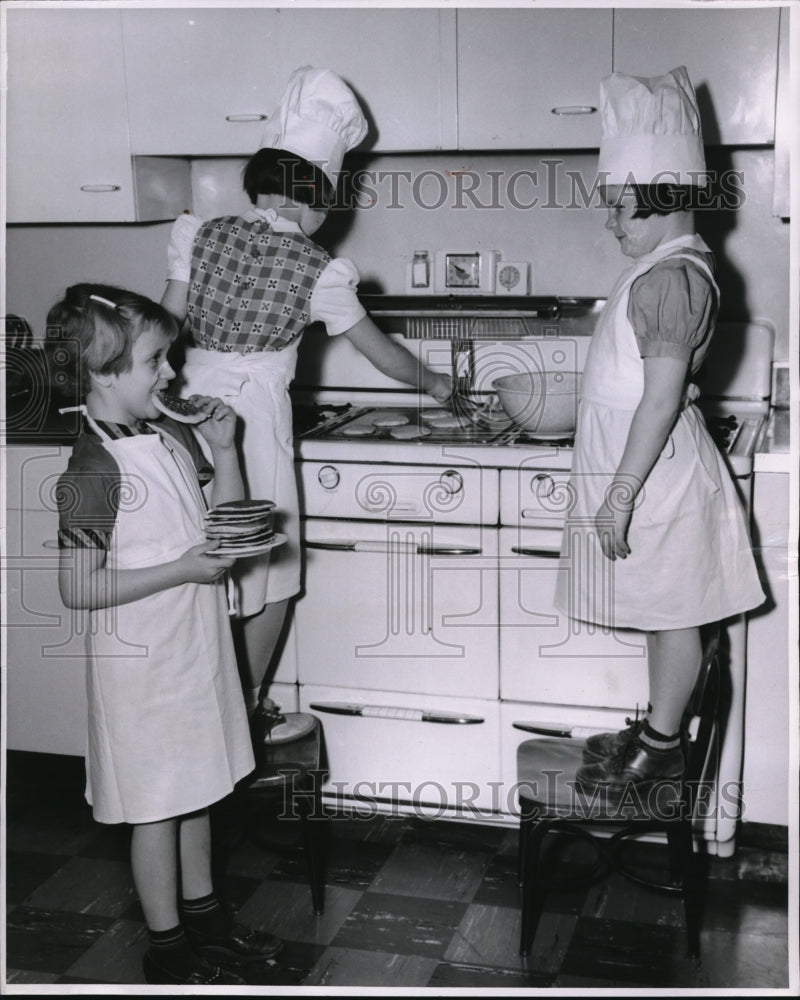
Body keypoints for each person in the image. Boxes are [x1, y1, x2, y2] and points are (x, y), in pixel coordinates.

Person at [160, 66, 452, 743]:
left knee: (204, 565)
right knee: (269, 571)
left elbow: (166, 325)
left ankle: (199, 715)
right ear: (318, 201)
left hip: (183, 413)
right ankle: (246, 715)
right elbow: (382, 353)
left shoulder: (199, 234)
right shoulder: (318, 268)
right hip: (254, 424)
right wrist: (439, 386)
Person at [52, 284, 282, 986]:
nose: (171, 373)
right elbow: (77, 586)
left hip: (195, 649)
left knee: (200, 787)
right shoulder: (91, 468)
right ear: (101, 370)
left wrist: (227, 446)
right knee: (157, 807)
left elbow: (230, 524)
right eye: (156, 360)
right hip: (142, 665)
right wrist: (182, 569)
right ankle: (169, 948)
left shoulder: (171, 434)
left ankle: (208, 919)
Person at [552, 67, 765, 799]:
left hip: (656, 477)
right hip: (649, 469)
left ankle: (665, 746)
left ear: (666, 200)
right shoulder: (663, 265)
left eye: (622, 210)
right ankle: (657, 729)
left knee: (674, 617)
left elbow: (660, 399)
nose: (610, 223)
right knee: (662, 612)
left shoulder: (669, 280)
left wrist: (619, 497)